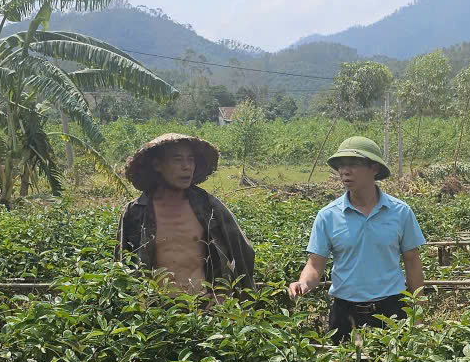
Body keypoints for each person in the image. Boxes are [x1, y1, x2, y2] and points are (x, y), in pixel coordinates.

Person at [288, 136, 425, 343]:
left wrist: (417, 313)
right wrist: (303, 283)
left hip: (392, 311)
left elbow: (412, 261)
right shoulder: (328, 215)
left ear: (375, 169)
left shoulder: (400, 212)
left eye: (353, 164)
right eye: (341, 165)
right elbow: (315, 265)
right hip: (345, 313)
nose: (345, 170)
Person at [117, 133, 255, 298]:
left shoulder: (209, 207)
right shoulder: (135, 212)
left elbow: (242, 250)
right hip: (156, 311)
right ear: (157, 165)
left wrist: (226, 294)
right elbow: (122, 267)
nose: (186, 167)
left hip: (205, 309)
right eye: (177, 160)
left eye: (190, 160)